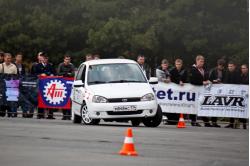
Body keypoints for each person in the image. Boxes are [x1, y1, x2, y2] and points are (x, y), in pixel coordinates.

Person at [190, 55, 211, 127]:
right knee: (195, 106)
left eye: (203, 61)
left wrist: (207, 80)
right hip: (194, 90)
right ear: (197, 61)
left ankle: (206, 122)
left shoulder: (203, 69)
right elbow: (192, 81)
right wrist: (202, 82)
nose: (202, 63)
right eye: (201, 61)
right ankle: (193, 121)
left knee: (202, 105)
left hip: (202, 91)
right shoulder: (193, 69)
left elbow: (205, 78)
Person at [34, 53, 56, 119]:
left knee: (50, 98)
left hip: (49, 85)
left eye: (46, 58)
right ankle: (40, 114)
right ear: (42, 58)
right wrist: (40, 74)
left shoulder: (50, 65)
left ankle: (50, 115)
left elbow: (54, 73)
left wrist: (52, 74)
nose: (45, 59)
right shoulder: (37, 65)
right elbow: (34, 74)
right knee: (40, 98)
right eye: (44, 58)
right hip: (41, 84)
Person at [208, 59, 227, 127]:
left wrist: (222, 82)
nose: (221, 67)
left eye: (222, 66)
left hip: (220, 91)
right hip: (213, 90)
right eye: (220, 66)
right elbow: (209, 79)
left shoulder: (224, 71)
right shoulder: (213, 70)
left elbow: (225, 80)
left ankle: (214, 122)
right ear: (218, 65)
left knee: (217, 106)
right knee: (213, 105)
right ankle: (212, 121)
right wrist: (215, 80)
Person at [223, 61, 241, 128]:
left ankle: (237, 124)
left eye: (231, 66)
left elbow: (238, 82)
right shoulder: (226, 73)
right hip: (229, 93)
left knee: (235, 108)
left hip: (236, 93)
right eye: (229, 66)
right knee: (230, 108)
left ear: (234, 66)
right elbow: (225, 81)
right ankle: (231, 123)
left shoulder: (237, 73)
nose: (230, 67)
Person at [0, 53, 18, 117]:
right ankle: (2, 112)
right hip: (2, 87)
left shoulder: (14, 66)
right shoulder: (1, 66)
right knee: (2, 100)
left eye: (10, 58)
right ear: (4, 58)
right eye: (7, 58)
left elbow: (16, 77)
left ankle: (10, 113)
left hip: (11, 87)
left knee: (10, 101)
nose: (8, 59)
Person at [57, 55, 75, 120]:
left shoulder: (71, 65)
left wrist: (65, 74)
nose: (67, 60)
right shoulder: (60, 65)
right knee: (64, 98)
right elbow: (58, 73)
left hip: (70, 85)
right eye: (66, 59)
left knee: (70, 99)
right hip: (62, 85)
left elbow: (73, 73)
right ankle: (64, 115)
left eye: (69, 59)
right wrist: (67, 73)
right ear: (64, 60)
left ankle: (69, 115)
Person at [239, 64, 248, 129]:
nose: (243, 69)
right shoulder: (240, 76)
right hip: (242, 95)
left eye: (244, 68)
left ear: (247, 69)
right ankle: (244, 124)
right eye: (242, 68)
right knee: (242, 109)